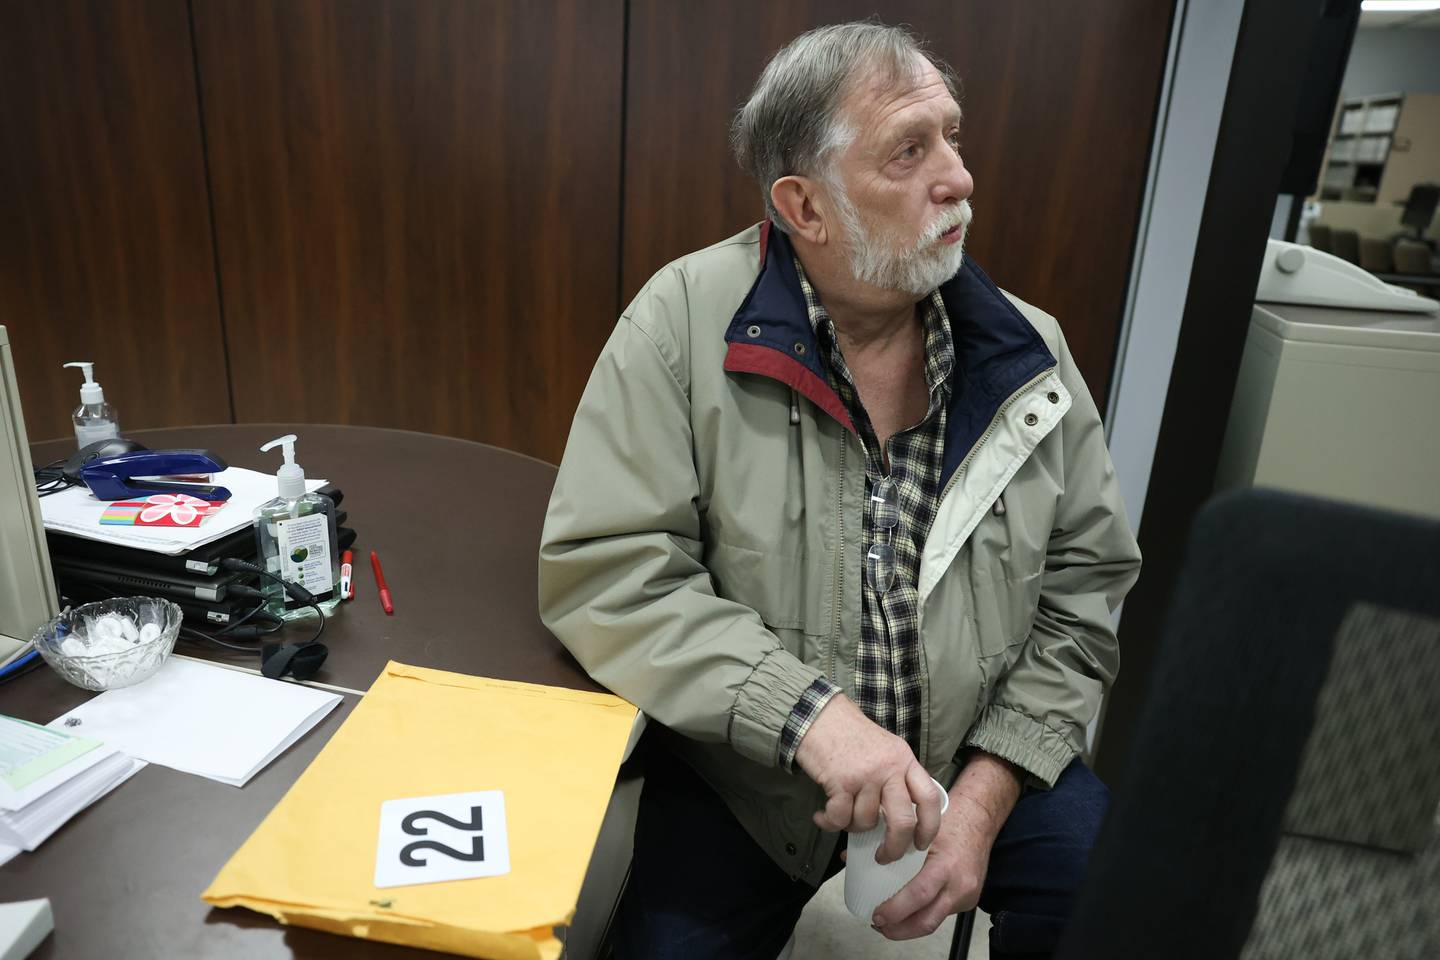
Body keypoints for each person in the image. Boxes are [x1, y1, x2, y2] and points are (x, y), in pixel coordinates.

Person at [539, 20, 1141, 959]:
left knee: (1126, 903)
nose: (958, 177)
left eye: (951, 136)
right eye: (909, 150)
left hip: (981, 752)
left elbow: (1084, 590)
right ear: (805, 207)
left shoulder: (1031, 356)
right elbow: (613, 572)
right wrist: (810, 718)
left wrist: (986, 794)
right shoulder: (679, 324)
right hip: (750, 778)